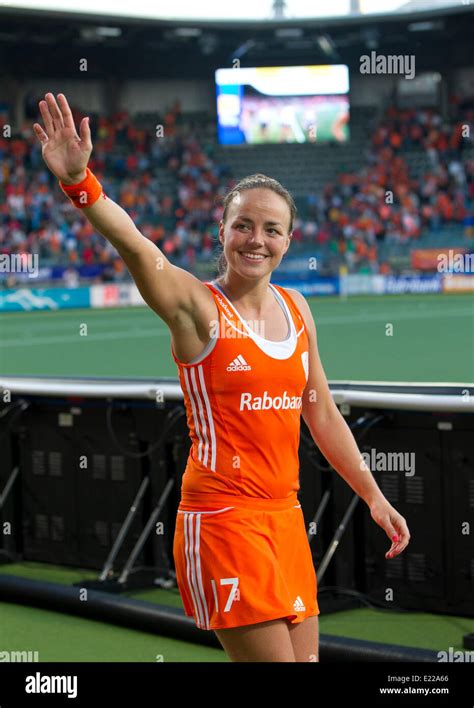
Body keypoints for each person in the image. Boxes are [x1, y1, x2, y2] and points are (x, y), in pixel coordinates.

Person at [33, 92, 411, 663]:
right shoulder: (197, 308)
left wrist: (374, 495)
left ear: (288, 240)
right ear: (224, 230)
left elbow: (323, 414)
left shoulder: (298, 308)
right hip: (223, 521)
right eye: (244, 225)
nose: (256, 240)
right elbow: (136, 246)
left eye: (272, 230)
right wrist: (80, 182)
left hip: (285, 518)